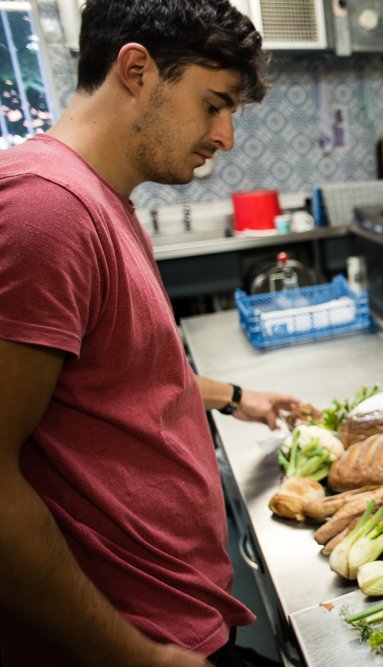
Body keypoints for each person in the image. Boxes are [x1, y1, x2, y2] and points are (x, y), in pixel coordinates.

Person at [0, 1, 299, 665]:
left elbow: (111, 375)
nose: (225, 137)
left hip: (178, 617)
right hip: (131, 638)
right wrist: (139, 656)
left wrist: (232, 395)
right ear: (136, 69)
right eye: (214, 104)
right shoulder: (43, 211)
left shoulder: (97, 199)